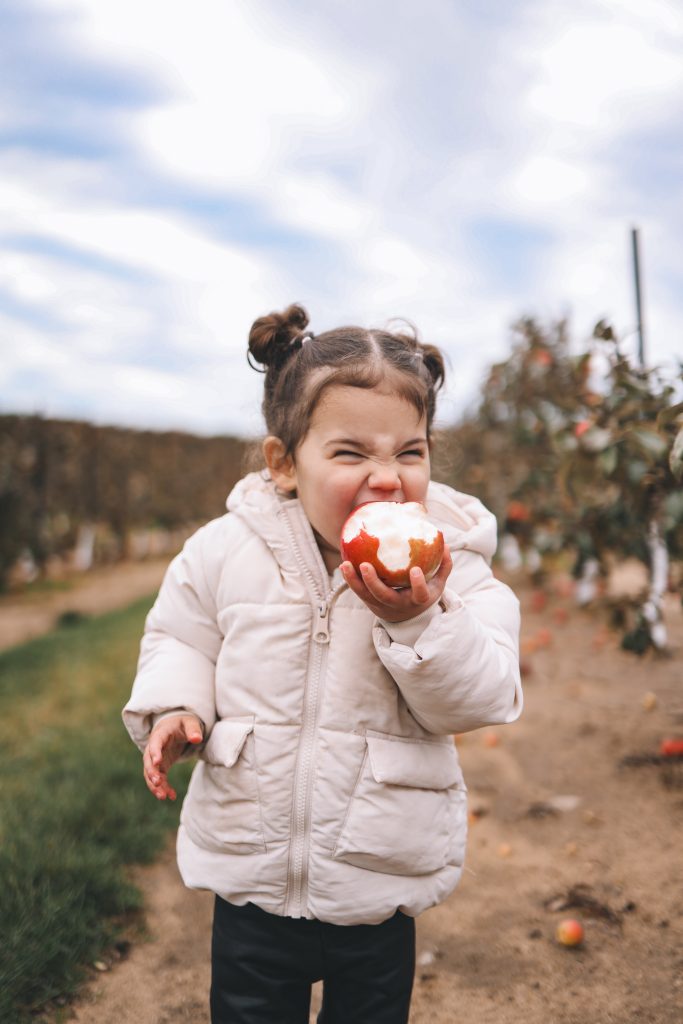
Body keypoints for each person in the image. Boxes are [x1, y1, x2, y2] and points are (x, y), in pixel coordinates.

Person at [122, 303, 523, 1023]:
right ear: (284, 464)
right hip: (251, 876)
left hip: (377, 882)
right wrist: (177, 709)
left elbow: (479, 698)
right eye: (350, 454)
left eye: (409, 452)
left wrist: (420, 621)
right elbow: (182, 638)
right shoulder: (223, 551)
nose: (387, 478)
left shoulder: (452, 568)